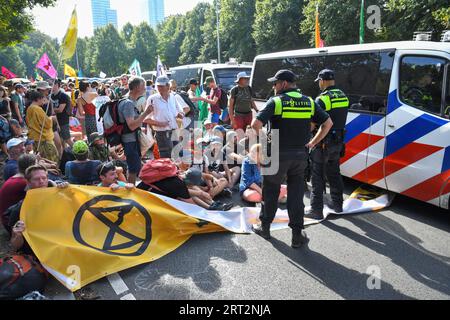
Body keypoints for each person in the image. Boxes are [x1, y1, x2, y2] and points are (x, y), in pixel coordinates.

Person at [251, 69, 333, 248]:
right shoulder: (310, 102)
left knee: (270, 192)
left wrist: (268, 139)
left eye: (275, 83)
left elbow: (255, 124)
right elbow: (328, 124)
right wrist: (312, 143)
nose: (273, 87)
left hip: (277, 155)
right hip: (300, 156)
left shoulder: (277, 101)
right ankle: (297, 236)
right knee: (296, 195)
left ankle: (265, 228)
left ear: (284, 84)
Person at [306, 69, 350, 220]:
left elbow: (312, 126)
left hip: (323, 143)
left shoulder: (322, 99)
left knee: (317, 176)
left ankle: (316, 210)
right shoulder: (344, 96)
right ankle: (338, 204)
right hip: (338, 142)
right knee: (334, 173)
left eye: (319, 81)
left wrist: (310, 141)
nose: (319, 84)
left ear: (323, 81)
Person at [7, 165, 68, 255]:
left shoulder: (58, 197)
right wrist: (18, 235)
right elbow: (15, 246)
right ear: (28, 182)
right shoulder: (19, 210)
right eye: (36, 179)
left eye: (44, 178)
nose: (41, 181)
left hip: (60, 247)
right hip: (37, 255)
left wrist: (68, 192)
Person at [118, 76, 153, 184]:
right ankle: (131, 191)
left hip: (130, 138)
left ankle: (131, 188)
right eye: (143, 86)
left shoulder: (127, 100)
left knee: (133, 167)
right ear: (137, 87)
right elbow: (132, 125)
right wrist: (146, 113)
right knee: (133, 168)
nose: (145, 88)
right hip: (130, 140)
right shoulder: (128, 103)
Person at [145, 76, 184, 159]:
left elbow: (181, 112)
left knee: (177, 155)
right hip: (162, 133)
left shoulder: (173, 97)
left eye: (162, 86)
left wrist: (180, 116)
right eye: (158, 86)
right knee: (167, 157)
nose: (159, 88)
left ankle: (176, 171)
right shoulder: (152, 99)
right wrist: (160, 123)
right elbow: (146, 119)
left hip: (174, 131)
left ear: (168, 86)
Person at [0, 154, 36, 234]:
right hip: (12, 225)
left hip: (7, 220)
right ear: (31, 167)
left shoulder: (17, 178)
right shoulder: (23, 183)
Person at [26, 90, 60, 164]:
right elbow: (47, 123)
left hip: (35, 137)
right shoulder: (37, 109)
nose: (43, 101)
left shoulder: (29, 108)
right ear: (38, 99)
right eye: (42, 99)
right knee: (50, 160)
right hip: (43, 138)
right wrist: (52, 118)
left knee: (40, 159)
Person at [50, 79, 73, 148]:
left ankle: (79, 152)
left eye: (52, 84)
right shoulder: (51, 96)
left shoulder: (63, 96)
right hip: (54, 121)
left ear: (57, 85)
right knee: (60, 140)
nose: (50, 86)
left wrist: (51, 110)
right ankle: (64, 155)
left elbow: (60, 109)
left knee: (67, 139)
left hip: (63, 120)